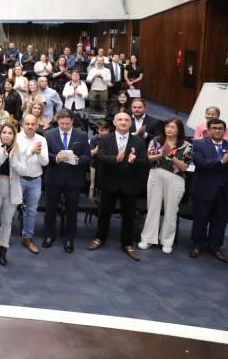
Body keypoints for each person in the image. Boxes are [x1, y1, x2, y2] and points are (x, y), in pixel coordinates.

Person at [88, 112, 150, 260]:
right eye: (120, 120)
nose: (123, 122)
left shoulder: (139, 142)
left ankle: (127, 244)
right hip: (109, 182)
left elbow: (146, 163)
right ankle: (99, 238)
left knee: (129, 216)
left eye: (126, 120)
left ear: (130, 124)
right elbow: (100, 157)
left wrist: (135, 160)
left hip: (130, 184)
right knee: (104, 212)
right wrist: (115, 159)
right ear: (114, 123)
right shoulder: (105, 139)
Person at [138, 118, 192, 254]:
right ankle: (148, 238)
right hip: (156, 174)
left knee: (171, 210)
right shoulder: (156, 141)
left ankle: (167, 241)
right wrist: (161, 154)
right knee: (153, 208)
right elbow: (148, 158)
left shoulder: (187, 146)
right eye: (167, 126)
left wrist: (170, 156)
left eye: (173, 127)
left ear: (179, 130)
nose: (169, 129)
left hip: (175, 178)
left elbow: (184, 166)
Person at [42, 109, 92, 253]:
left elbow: (87, 157)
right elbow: (45, 155)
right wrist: (56, 158)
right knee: (50, 209)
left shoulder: (81, 135)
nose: (64, 126)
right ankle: (49, 235)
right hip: (54, 177)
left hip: (73, 178)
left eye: (67, 123)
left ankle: (69, 238)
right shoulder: (49, 134)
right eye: (62, 123)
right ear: (57, 121)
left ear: (72, 121)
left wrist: (78, 161)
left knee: (72, 211)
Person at [188, 118, 228, 263]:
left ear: (224, 130)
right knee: (201, 219)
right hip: (204, 189)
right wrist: (222, 160)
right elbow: (201, 163)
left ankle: (214, 247)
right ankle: (198, 245)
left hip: (225, 191)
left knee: (220, 221)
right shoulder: (198, 143)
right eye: (214, 128)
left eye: (220, 128)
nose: (217, 130)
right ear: (208, 130)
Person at [0, 123, 25, 266]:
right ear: (0, 134)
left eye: (10, 133)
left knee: (7, 222)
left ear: (14, 135)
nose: (7, 135)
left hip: (12, 189)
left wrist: (13, 159)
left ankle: (3, 250)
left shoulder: (18, 148)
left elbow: (23, 171)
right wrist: (3, 157)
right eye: (4, 132)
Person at [15, 114, 49, 254]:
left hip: (35, 180)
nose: (30, 127)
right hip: (18, 178)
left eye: (32, 124)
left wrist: (38, 153)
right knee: (9, 209)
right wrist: (31, 152)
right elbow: (15, 159)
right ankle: (2, 237)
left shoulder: (42, 139)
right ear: (22, 125)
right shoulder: (16, 137)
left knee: (31, 211)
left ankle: (27, 237)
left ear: (37, 125)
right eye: (27, 124)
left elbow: (45, 162)